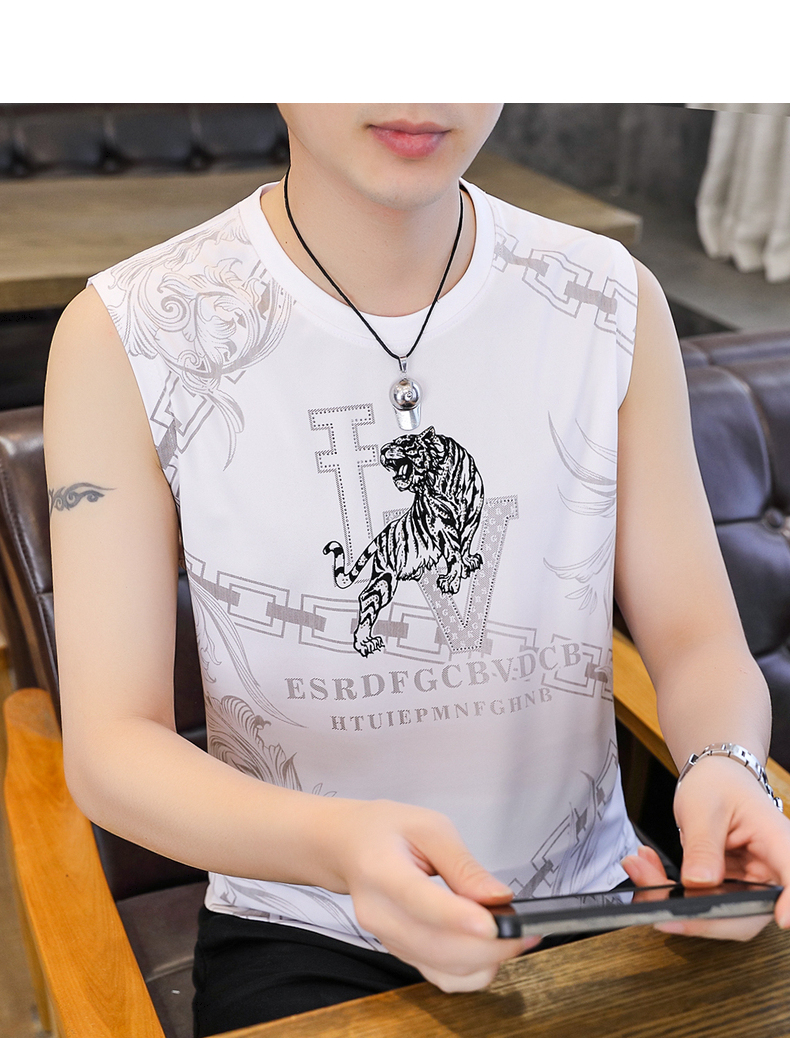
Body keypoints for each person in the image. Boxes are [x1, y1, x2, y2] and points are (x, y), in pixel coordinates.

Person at [44, 104, 790, 1036]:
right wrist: (341, 849)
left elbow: (697, 640)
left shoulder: (606, 298)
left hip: (599, 900)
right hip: (307, 925)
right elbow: (112, 747)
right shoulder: (126, 333)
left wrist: (726, 765)